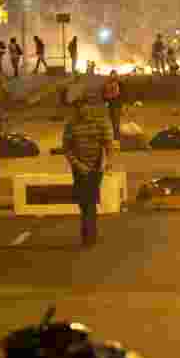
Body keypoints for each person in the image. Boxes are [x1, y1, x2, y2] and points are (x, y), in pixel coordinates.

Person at [62, 84, 114, 249]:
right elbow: (67, 149)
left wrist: (106, 162)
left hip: (95, 166)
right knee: (83, 201)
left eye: (84, 107)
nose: (82, 111)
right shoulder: (71, 125)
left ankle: (88, 233)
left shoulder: (100, 122)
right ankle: (89, 229)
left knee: (90, 200)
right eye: (79, 108)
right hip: (79, 168)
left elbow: (108, 143)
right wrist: (78, 165)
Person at [103, 70, 124, 140]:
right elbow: (104, 94)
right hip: (111, 104)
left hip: (116, 104)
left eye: (114, 74)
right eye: (112, 74)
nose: (113, 76)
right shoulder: (107, 84)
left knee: (116, 121)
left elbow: (122, 95)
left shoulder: (119, 83)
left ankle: (116, 137)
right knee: (113, 121)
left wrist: (122, 105)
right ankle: (116, 136)